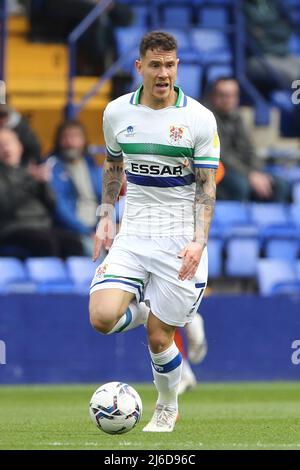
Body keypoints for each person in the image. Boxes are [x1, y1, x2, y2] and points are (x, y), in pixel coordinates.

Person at [89, 31, 220, 432]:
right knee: (102, 317)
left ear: (177, 66)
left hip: (181, 237)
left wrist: (198, 242)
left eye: (170, 65)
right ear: (139, 67)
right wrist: (106, 214)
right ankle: (145, 305)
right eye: (155, 65)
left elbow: (206, 187)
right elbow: (114, 166)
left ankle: (167, 404)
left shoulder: (198, 118)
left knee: (159, 337)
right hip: (136, 229)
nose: (163, 73)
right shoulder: (116, 113)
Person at [0, 128, 83, 258]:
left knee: (74, 243)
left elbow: (52, 204)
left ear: (20, 147)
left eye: (9, 143)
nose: (6, 148)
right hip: (13, 228)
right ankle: (49, 278)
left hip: (42, 226)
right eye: (1, 145)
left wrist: (43, 183)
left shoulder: (31, 172)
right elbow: (6, 205)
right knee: (45, 243)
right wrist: (29, 182)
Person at [208, 77, 290, 202]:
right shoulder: (205, 119)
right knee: (241, 186)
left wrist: (258, 172)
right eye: (222, 95)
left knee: (280, 186)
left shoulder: (237, 117)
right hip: (219, 171)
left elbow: (250, 149)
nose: (227, 100)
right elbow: (222, 155)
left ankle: (272, 221)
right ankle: (237, 221)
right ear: (213, 96)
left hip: (243, 171)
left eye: (231, 95)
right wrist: (250, 174)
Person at [48, 120, 103, 257]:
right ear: (58, 141)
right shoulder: (53, 168)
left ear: (84, 141)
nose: (70, 142)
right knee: (95, 251)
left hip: (98, 225)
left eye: (75, 136)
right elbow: (59, 207)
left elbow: (104, 198)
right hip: (74, 231)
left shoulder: (92, 165)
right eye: (66, 137)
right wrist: (85, 230)